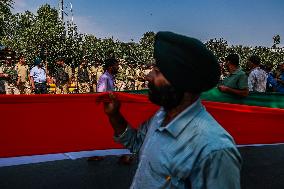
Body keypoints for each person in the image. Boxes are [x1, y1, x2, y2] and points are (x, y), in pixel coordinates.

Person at [99, 32, 242, 188]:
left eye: (158, 71)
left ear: (182, 82)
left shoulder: (213, 150)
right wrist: (114, 115)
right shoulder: (160, 116)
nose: (148, 77)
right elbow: (136, 143)